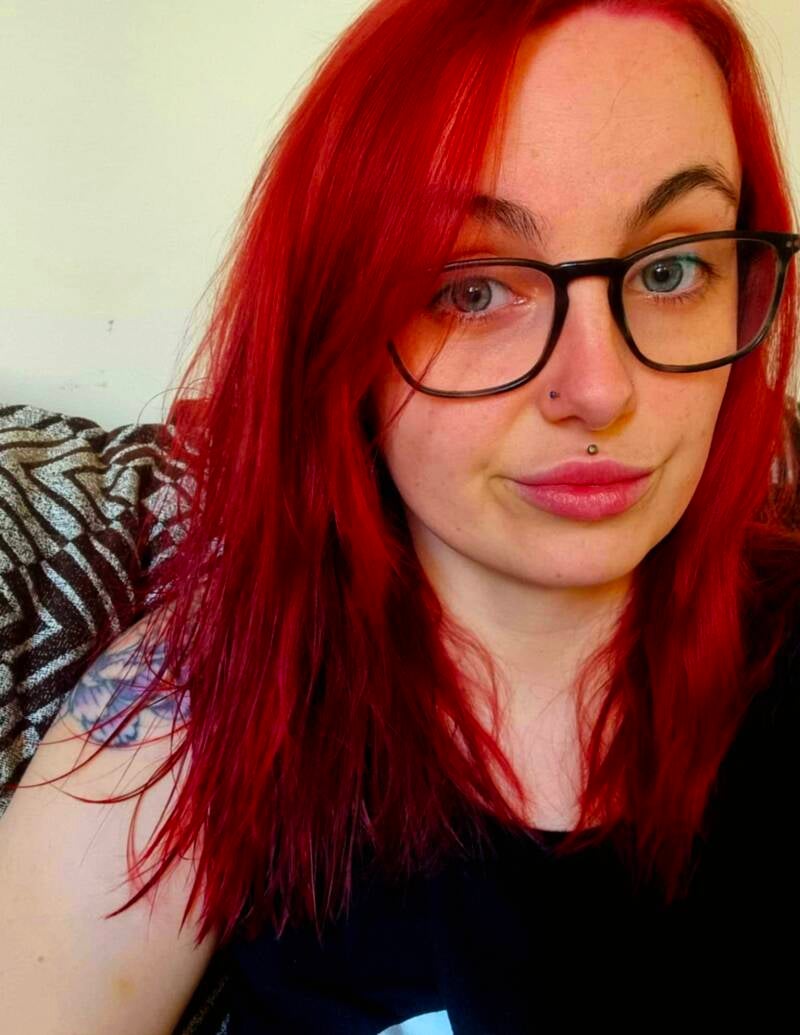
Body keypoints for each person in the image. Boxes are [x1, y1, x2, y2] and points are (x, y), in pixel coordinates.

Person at [2, 0, 799, 1031]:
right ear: (337, 324)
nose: (599, 390)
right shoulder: (198, 703)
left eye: (669, 269)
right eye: (470, 288)